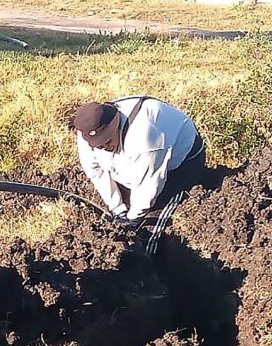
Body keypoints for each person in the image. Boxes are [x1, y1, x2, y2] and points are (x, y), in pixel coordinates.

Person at [73, 96, 206, 250]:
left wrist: (132, 223)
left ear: (115, 125)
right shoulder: (87, 133)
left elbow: (147, 189)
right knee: (126, 207)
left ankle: (152, 261)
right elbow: (96, 171)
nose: (104, 147)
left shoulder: (145, 138)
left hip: (184, 161)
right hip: (140, 160)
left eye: (107, 141)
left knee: (153, 220)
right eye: (98, 145)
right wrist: (118, 211)